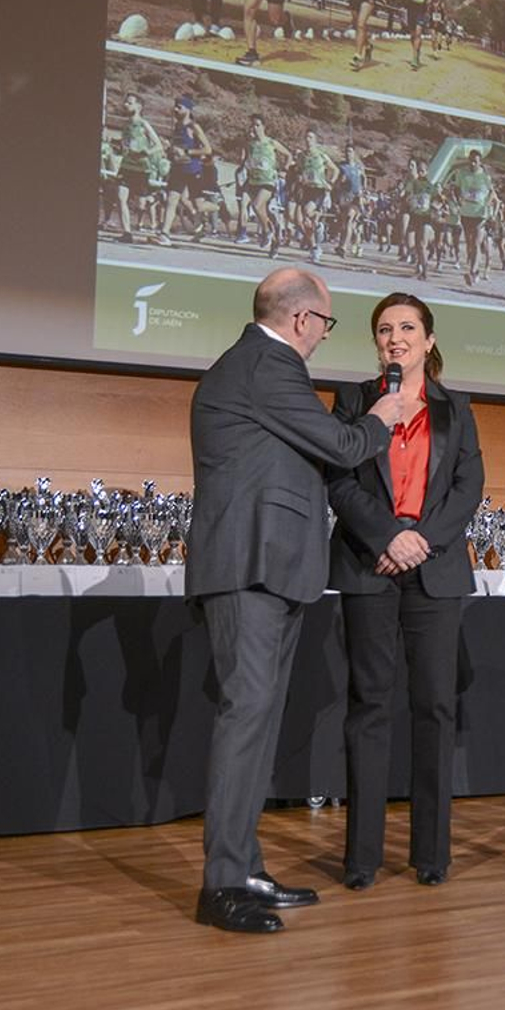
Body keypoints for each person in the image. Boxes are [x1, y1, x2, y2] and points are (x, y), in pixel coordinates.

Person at [188, 268, 407, 933]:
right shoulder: (266, 363)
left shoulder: (257, 365)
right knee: (245, 718)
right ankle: (221, 883)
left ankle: (243, 866)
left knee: (256, 723)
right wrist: (381, 418)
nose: (321, 336)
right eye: (327, 324)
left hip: (272, 568)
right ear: (302, 320)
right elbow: (339, 444)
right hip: (248, 566)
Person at [327, 293, 484, 890]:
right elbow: (339, 478)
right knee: (369, 705)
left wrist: (421, 540)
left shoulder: (457, 407)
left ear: (430, 339)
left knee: (435, 708)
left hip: (434, 568)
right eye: (385, 330)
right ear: (377, 344)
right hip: (370, 564)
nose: (396, 338)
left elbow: (469, 485)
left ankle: (431, 854)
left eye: (408, 328)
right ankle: (362, 857)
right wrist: (389, 536)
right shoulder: (354, 402)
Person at [160, 94, 217, 245]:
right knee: (172, 200)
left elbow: (207, 149)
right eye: (175, 106)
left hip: (193, 170)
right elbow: (177, 149)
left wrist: (186, 153)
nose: (175, 109)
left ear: (188, 109)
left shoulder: (193, 127)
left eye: (179, 107)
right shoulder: (176, 127)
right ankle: (164, 234)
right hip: (178, 169)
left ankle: (217, 206)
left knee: (199, 206)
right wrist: (169, 149)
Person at [114, 92, 165, 245]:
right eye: (125, 102)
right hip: (126, 166)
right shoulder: (126, 125)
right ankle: (127, 233)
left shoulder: (144, 124)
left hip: (141, 168)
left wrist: (146, 152)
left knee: (142, 202)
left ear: (139, 106)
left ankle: (157, 223)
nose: (125, 105)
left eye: (129, 102)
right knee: (120, 197)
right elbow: (125, 145)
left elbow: (159, 146)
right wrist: (121, 149)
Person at [240, 115, 291, 257]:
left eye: (257, 125)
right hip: (253, 181)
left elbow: (288, 155)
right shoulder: (249, 144)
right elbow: (245, 161)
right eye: (252, 125)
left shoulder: (271, 143)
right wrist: (242, 170)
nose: (254, 128)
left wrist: (284, 169)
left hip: (268, 181)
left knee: (256, 206)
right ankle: (274, 241)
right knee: (261, 211)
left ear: (263, 127)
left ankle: (267, 232)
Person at [448, 148, 495, 287]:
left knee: (476, 243)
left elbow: (492, 193)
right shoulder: (462, 173)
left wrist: (486, 204)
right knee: (470, 244)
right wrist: (458, 200)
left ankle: (472, 272)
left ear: (480, 162)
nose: (473, 164)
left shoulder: (485, 177)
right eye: (471, 161)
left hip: (480, 215)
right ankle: (476, 270)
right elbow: (456, 188)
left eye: (476, 161)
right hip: (466, 213)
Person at [293, 129, 339, 264]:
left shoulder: (321, 156)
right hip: (306, 189)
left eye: (311, 137)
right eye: (306, 137)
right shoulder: (301, 156)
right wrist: (299, 177)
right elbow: (299, 170)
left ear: (315, 140)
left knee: (307, 212)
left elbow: (335, 169)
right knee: (304, 222)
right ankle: (314, 248)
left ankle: (318, 221)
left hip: (319, 190)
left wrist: (330, 182)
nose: (308, 140)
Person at [397, 0, 436, 70]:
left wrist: (428, 1)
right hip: (411, 9)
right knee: (413, 35)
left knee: (418, 33)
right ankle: (417, 52)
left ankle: (414, 58)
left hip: (421, 11)